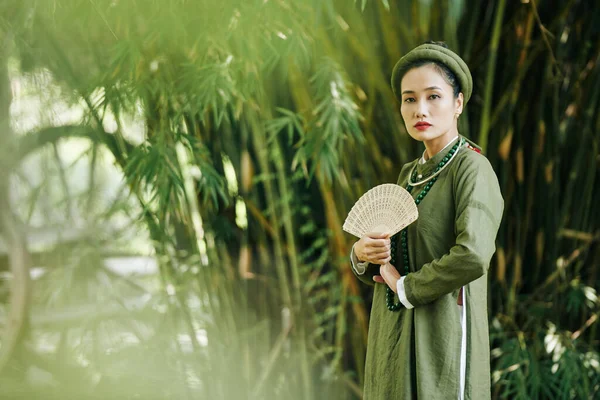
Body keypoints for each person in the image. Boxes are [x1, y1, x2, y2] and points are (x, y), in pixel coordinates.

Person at [349, 41, 504, 399]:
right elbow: (386, 261)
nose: (420, 109)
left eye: (433, 96)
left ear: (458, 103)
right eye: (409, 99)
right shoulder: (408, 174)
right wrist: (361, 253)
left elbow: (473, 254)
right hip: (393, 328)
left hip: (442, 330)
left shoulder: (472, 168)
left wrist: (408, 288)